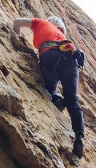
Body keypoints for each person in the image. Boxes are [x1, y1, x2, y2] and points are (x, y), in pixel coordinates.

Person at [13, 15, 85, 158]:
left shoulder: (41, 22)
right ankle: (80, 135)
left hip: (51, 55)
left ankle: (55, 97)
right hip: (71, 62)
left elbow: (17, 22)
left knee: (48, 86)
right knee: (72, 99)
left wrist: (17, 39)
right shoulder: (62, 37)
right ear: (61, 29)